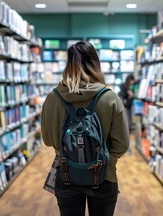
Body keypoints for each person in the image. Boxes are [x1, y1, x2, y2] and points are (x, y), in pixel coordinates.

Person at [41, 41, 130, 216]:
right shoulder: (110, 97)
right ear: (96, 63)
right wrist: (106, 163)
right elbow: (122, 144)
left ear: (68, 64)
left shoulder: (53, 98)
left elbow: (47, 139)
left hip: (65, 173)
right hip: (104, 175)